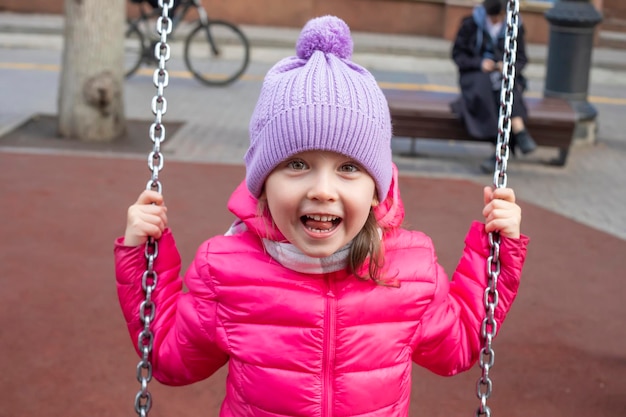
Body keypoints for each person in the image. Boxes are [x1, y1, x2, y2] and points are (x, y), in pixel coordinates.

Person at [115, 15, 529, 416]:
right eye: (296, 164)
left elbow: (458, 347)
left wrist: (496, 255)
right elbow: (169, 358)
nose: (322, 190)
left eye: (348, 168)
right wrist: (142, 257)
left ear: (376, 190)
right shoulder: (225, 270)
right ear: (262, 182)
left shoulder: (411, 270)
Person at [451, 0, 537, 173]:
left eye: (500, 16)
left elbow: (521, 59)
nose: (497, 20)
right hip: (476, 75)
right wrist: (480, 63)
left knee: (506, 87)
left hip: (502, 74)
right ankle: (518, 131)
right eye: (493, 16)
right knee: (489, 93)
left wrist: (505, 66)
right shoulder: (471, 24)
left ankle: (501, 150)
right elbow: (457, 54)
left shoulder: (515, 26)